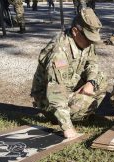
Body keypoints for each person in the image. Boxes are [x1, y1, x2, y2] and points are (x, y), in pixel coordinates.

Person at [31, 8, 107, 138]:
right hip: (49, 99)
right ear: (75, 31)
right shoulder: (59, 51)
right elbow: (56, 92)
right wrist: (67, 128)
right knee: (84, 101)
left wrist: (90, 82)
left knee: (101, 79)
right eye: (89, 38)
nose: (91, 43)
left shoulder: (85, 42)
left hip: (69, 87)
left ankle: (79, 114)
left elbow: (92, 63)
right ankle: (57, 117)